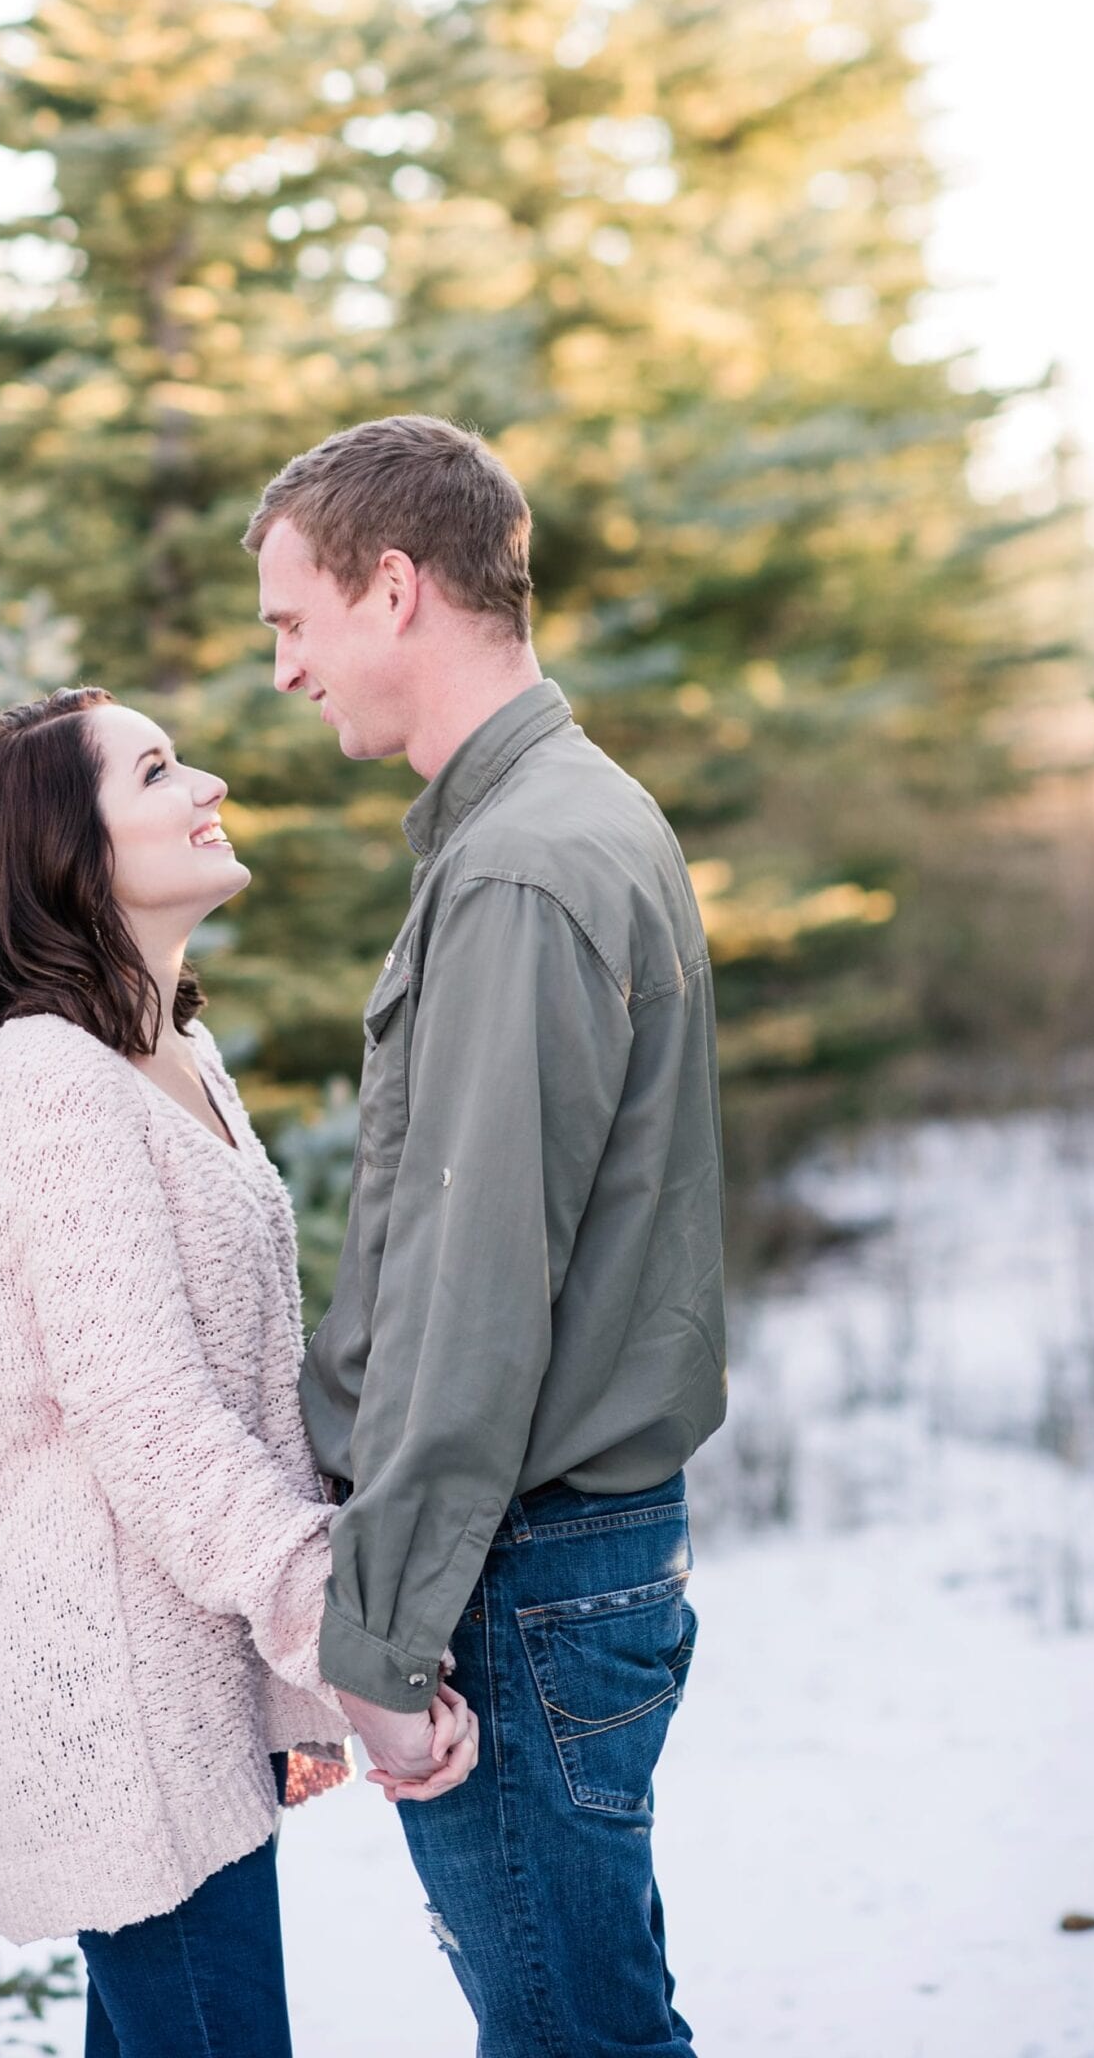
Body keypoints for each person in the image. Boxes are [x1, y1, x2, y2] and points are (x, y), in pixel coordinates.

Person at [0, 685, 480, 2058]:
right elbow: (145, 1415)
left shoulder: (171, 1051)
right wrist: (334, 1625)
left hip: (188, 1671)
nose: (205, 778)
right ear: (64, 855)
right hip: (115, 1698)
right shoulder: (42, 1079)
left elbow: (242, 1371)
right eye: (156, 770)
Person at [246, 413, 728, 2057]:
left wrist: (377, 1648)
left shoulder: (521, 868)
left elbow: (472, 1299)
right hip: (550, 1561)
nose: (286, 674)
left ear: (393, 590)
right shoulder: (544, 823)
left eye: (292, 624)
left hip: (513, 1577)